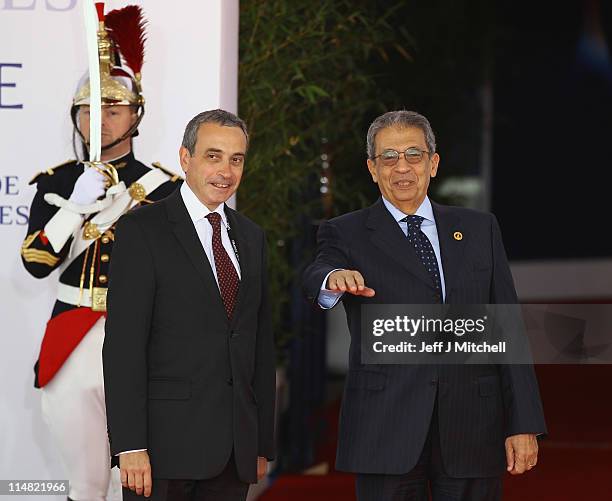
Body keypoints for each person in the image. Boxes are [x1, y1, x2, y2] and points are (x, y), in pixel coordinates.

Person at [302, 110, 546, 501]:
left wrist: (524, 423)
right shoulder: (345, 231)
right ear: (372, 168)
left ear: (433, 163)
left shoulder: (480, 228)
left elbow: (507, 329)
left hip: (472, 423)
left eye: (413, 155)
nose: (402, 168)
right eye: (389, 157)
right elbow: (318, 271)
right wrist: (332, 280)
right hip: (386, 424)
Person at [20, 5, 180, 500]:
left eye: (113, 110)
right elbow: (37, 263)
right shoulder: (57, 182)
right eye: (88, 110)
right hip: (72, 338)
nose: (100, 120)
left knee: (140, 482)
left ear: (136, 115)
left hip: (144, 342)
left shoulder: (165, 189)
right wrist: (75, 206)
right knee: (85, 483)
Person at [102, 109, 276, 501]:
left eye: (236, 159)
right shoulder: (141, 231)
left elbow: (258, 345)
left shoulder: (251, 237)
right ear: (186, 158)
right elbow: (123, 347)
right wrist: (129, 446)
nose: (226, 171)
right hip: (162, 453)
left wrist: (261, 442)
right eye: (213, 156)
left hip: (234, 453)